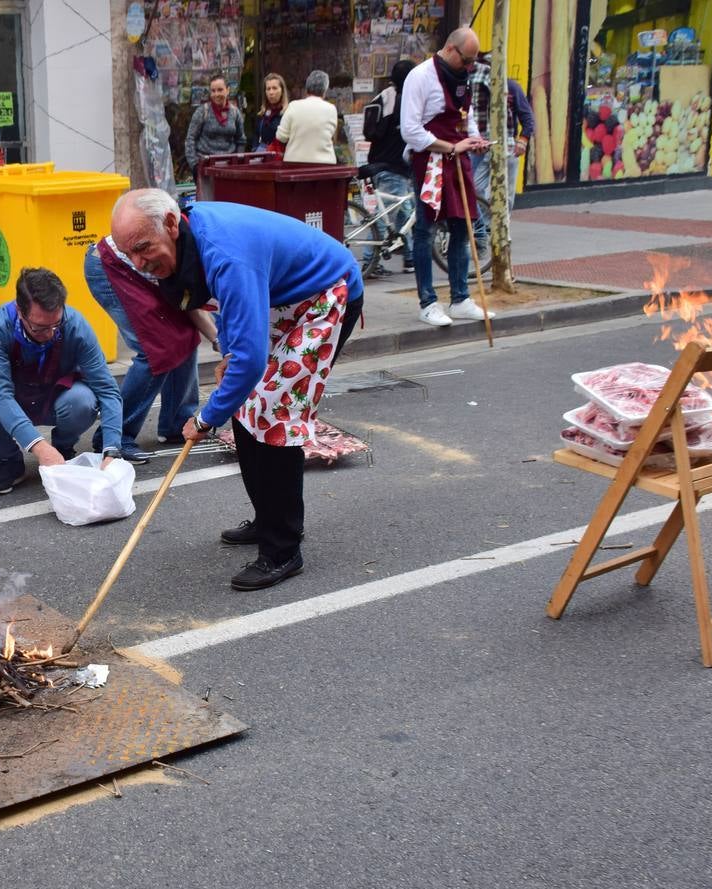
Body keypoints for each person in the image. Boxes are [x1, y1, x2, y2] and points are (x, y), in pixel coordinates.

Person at [111, 189, 364, 592]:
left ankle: (283, 550)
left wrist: (204, 418)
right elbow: (229, 306)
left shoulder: (225, 252)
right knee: (247, 404)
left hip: (326, 291)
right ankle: (268, 518)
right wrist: (229, 351)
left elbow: (248, 360)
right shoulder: (196, 238)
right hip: (283, 296)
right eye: (132, 255)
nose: (141, 263)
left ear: (172, 225)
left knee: (274, 412)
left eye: (144, 248)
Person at [0, 267, 123, 495]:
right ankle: (11, 462)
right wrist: (38, 447)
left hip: (56, 397)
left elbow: (108, 390)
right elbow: (0, 396)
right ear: (20, 312)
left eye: (56, 324)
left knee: (83, 400)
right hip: (14, 400)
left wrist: (112, 451)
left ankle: (63, 448)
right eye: (40, 327)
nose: (51, 333)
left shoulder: (75, 325)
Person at [83, 237, 213, 462]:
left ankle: (177, 424)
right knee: (155, 348)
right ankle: (113, 438)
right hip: (110, 264)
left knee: (186, 336)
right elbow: (192, 308)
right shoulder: (191, 254)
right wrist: (219, 341)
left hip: (143, 270)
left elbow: (190, 305)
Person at [401, 26, 493, 328]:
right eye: (466, 60)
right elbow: (410, 131)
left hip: (459, 157)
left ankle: (460, 298)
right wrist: (450, 146)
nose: (468, 67)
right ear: (451, 49)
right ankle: (427, 302)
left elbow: (466, 120)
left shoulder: (463, 77)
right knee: (426, 229)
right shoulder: (420, 77)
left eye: (472, 63)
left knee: (461, 226)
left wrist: (475, 139)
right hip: (430, 160)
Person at [360, 60, 416, 277]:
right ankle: (369, 260)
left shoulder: (385, 96)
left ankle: (410, 258)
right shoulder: (404, 99)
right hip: (394, 165)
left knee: (406, 210)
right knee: (384, 218)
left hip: (379, 162)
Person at [470, 53, 535, 223]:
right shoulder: (473, 86)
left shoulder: (512, 87)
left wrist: (523, 140)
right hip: (480, 146)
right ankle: (484, 226)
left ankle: (500, 228)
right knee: (474, 188)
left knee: (506, 193)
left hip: (508, 146)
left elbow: (528, 118)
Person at [184, 76, 243, 176]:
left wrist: (239, 161)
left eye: (220, 90)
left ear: (227, 90)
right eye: (213, 91)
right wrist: (194, 165)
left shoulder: (235, 112)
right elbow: (190, 139)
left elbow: (241, 139)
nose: (216, 94)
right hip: (205, 166)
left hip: (228, 166)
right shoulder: (202, 111)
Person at [276, 70, 338, 164]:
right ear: (325, 91)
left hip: (295, 165)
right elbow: (332, 135)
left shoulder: (294, 106)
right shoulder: (331, 109)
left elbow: (281, 137)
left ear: (306, 89)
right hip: (325, 165)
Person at [252, 73, 288, 151]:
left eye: (274, 88)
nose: (271, 92)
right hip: (262, 155)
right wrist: (255, 149)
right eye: (268, 89)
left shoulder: (287, 114)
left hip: (279, 156)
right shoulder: (262, 113)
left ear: (282, 91)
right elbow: (256, 135)